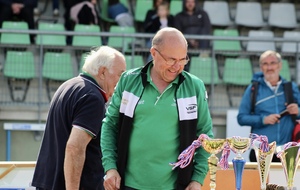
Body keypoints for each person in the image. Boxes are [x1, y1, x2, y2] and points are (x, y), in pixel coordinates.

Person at [101, 27, 214, 190]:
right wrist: (110, 168)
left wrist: (197, 179)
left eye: (183, 60)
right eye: (171, 60)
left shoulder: (194, 87)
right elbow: (109, 125)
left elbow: (205, 136)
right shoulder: (128, 80)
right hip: (127, 185)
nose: (177, 66)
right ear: (154, 53)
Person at [31, 46, 126, 189]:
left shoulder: (68, 85)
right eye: (120, 75)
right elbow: (75, 147)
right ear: (103, 72)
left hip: (49, 183)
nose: (122, 82)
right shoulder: (92, 98)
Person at [237, 50, 300, 162]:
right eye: (265, 64)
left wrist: (297, 111)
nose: (269, 67)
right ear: (261, 67)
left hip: (287, 151)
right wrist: (263, 120)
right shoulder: (253, 89)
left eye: (273, 63)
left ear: (280, 65)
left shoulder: (291, 87)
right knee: (259, 181)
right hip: (260, 151)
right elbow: (241, 118)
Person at [174, 0, 212, 71]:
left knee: (204, 32)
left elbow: (207, 28)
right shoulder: (178, 16)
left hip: (201, 43)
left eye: (192, 2)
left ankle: (203, 55)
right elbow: (178, 32)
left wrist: (198, 40)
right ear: (184, 3)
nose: (190, 4)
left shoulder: (203, 14)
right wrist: (189, 40)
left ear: (195, 3)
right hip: (185, 44)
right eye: (188, 2)